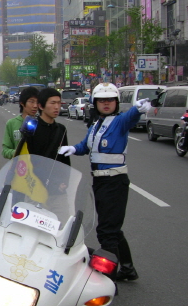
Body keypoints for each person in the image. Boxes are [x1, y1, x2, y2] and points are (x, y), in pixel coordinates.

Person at [59, 83, 150, 282]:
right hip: (100, 182)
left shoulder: (119, 122)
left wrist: (138, 108)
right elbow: (86, 146)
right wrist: (74, 149)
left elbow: (131, 116)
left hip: (114, 181)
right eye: (102, 100)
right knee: (113, 229)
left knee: (107, 232)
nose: (106, 103)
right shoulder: (96, 125)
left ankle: (108, 278)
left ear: (116, 103)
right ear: (95, 103)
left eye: (110, 100)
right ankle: (127, 268)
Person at [23, 87, 70, 165]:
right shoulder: (31, 127)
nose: (57, 107)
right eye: (53, 103)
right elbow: (24, 155)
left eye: (59, 103)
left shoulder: (61, 129)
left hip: (55, 174)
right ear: (41, 106)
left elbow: (64, 159)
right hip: (33, 174)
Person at [2, 87, 39, 159]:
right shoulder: (11, 123)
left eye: (37, 102)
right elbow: (5, 151)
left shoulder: (41, 123)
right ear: (22, 103)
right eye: (31, 102)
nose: (35, 106)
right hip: (19, 168)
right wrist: (19, 153)